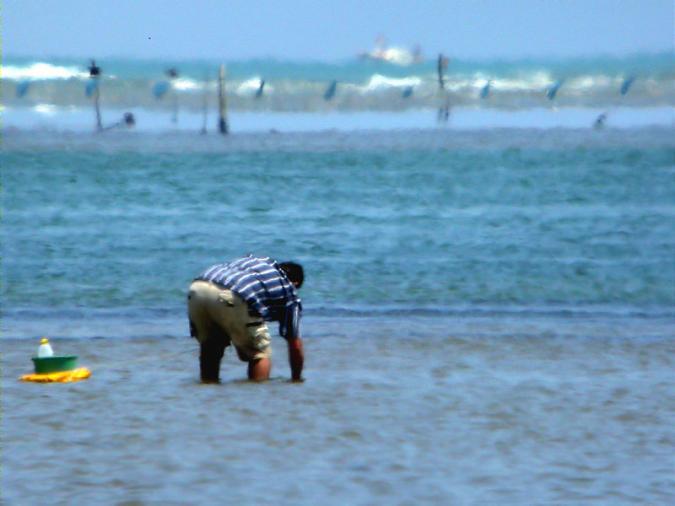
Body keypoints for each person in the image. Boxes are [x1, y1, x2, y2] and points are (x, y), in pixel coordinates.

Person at [187, 255, 304, 383]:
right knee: (259, 354)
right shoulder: (289, 290)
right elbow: (295, 345)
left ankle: (208, 391)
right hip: (234, 294)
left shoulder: (259, 261)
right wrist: (296, 379)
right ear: (295, 283)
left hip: (198, 287)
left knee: (210, 348)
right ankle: (257, 395)